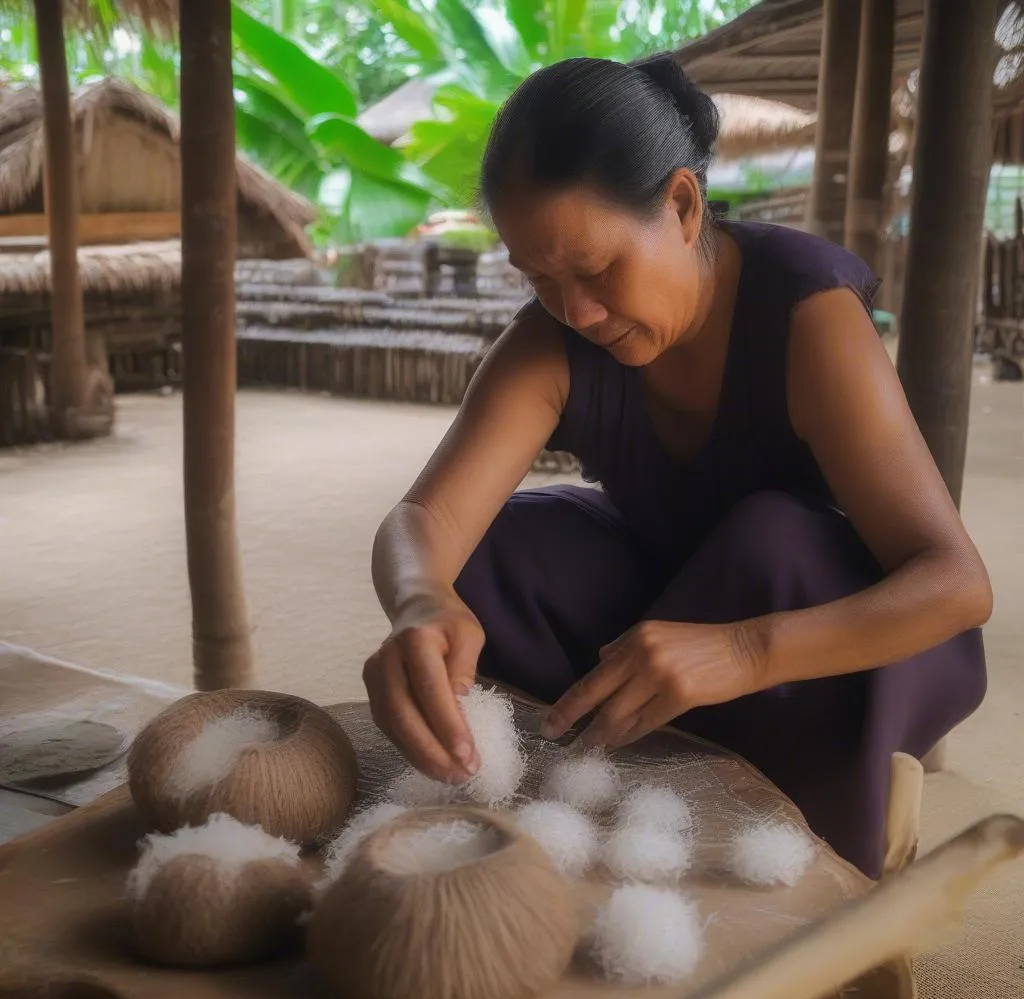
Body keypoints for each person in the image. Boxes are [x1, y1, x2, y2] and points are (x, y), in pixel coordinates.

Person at [362, 54, 991, 878]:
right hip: (677, 594)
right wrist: (418, 601)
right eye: (540, 279)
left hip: (837, 642)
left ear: (684, 206)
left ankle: (805, 871)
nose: (576, 312)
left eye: (594, 269)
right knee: (493, 554)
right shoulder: (554, 336)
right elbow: (427, 521)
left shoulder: (808, 317)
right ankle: (579, 802)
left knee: (771, 541)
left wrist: (746, 652)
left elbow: (955, 583)